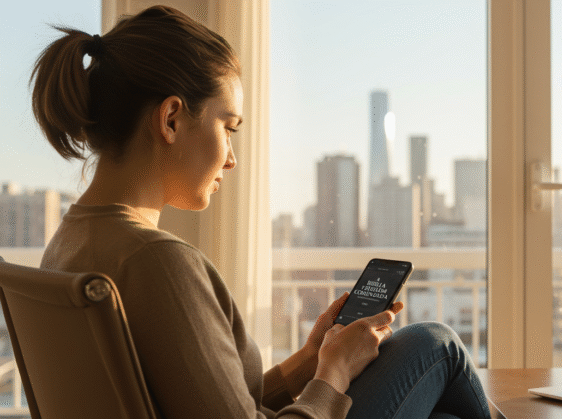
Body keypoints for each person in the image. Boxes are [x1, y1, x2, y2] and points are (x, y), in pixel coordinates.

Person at [31, 5, 492, 419]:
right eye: (228, 128)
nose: (231, 158)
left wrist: (311, 357)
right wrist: (333, 373)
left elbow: (214, 402)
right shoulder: (158, 263)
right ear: (171, 119)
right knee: (436, 344)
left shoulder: (69, 244)